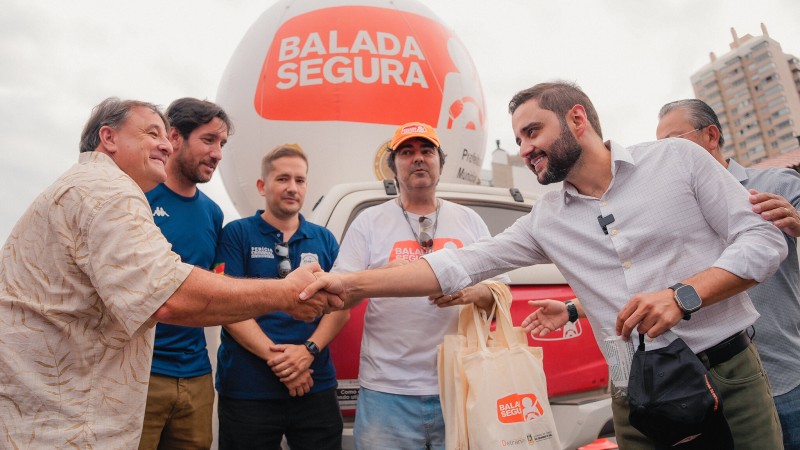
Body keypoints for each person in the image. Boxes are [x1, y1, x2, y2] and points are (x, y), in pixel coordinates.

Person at [300, 82, 788, 448]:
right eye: (518, 139)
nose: (525, 148)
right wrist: (347, 281)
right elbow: (463, 264)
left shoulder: (678, 160)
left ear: (577, 119)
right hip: (632, 392)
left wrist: (685, 295)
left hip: (725, 371)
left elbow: (763, 238)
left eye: (533, 131)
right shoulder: (546, 219)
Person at [0, 97, 340, 449]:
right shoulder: (110, 191)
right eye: (152, 132)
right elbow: (167, 296)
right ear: (108, 138)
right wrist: (286, 294)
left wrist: (308, 349)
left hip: (141, 380)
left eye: (222, 144)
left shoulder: (94, 187)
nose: (165, 143)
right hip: (73, 408)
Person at [331, 122, 503, 450]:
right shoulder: (368, 222)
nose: (418, 158)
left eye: (427, 151)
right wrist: (384, 278)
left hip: (460, 384)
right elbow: (341, 296)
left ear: (440, 162)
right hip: (386, 391)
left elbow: (499, 293)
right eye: (407, 152)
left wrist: (468, 292)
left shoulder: (469, 221)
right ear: (392, 166)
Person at [656, 98, 800, 449]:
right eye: (660, 149)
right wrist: (572, 309)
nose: (666, 156)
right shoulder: (676, 212)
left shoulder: (775, 183)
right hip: (724, 390)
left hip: (788, 379)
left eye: (674, 142)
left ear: (711, 135)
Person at [214, 144, 348, 449]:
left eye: (299, 180)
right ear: (263, 186)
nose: (292, 188)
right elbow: (227, 306)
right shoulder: (236, 234)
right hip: (248, 390)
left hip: (314, 384)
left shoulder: (324, 239)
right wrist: (283, 363)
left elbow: (342, 308)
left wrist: (307, 352)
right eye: (283, 179)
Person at [139, 98, 232, 450]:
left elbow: (212, 288)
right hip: (140, 374)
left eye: (222, 144)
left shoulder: (213, 214)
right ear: (174, 136)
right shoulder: (138, 197)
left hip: (196, 376)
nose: (218, 153)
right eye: (208, 140)